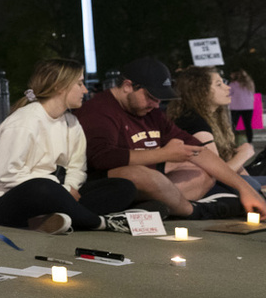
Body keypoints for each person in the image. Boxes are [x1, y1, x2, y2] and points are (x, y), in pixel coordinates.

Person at [75, 57, 266, 220]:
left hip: (155, 185)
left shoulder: (152, 113)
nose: (156, 105)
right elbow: (102, 157)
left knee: (204, 171)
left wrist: (244, 189)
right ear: (127, 86)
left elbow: (199, 151)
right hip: (108, 185)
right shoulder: (100, 110)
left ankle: (151, 208)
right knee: (143, 175)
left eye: (160, 99)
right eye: (151, 97)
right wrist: (163, 154)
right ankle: (192, 211)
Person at [0, 59, 137, 233]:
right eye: (79, 83)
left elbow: (77, 167)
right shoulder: (24, 121)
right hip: (10, 201)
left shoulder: (72, 122)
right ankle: (99, 222)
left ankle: (58, 218)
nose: (85, 90)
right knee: (43, 187)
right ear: (59, 86)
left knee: (124, 187)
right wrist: (63, 190)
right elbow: (7, 175)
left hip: (57, 192)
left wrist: (70, 187)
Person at [167, 66, 259, 189]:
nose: (228, 88)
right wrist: (244, 155)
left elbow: (232, 166)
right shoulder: (195, 123)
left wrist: (256, 188)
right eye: (219, 84)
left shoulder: (212, 118)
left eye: (224, 82)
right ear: (201, 91)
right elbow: (217, 175)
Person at [229, 69, 256, 145]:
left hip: (236, 107)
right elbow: (253, 92)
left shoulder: (233, 84)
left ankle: (231, 142)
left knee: (233, 125)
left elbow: (228, 93)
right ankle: (250, 142)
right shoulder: (250, 83)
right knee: (248, 125)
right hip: (248, 107)